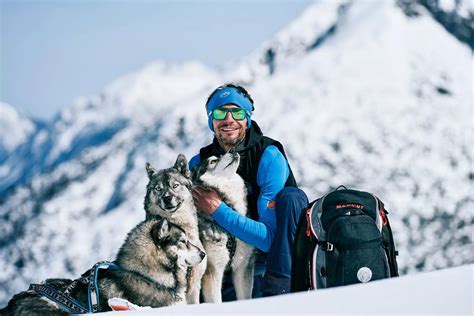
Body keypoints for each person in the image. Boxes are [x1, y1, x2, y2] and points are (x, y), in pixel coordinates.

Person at [190, 83, 308, 299]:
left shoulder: (268, 157)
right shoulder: (199, 164)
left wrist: (217, 210)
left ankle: (281, 296)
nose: (228, 119)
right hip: (224, 261)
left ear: (247, 117)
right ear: (211, 120)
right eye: (220, 112)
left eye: (236, 111)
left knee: (292, 198)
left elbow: (270, 240)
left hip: (275, 257)